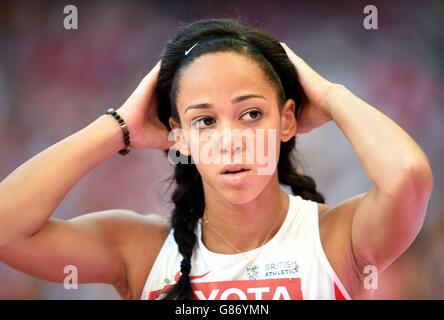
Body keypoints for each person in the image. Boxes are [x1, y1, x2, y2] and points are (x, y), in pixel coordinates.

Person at [0, 18, 433, 300]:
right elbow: (7, 229)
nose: (230, 141)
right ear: (179, 137)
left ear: (287, 121)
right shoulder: (141, 250)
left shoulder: (339, 239)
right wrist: (118, 127)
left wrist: (329, 95)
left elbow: (409, 176)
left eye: (250, 114)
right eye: (205, 121)